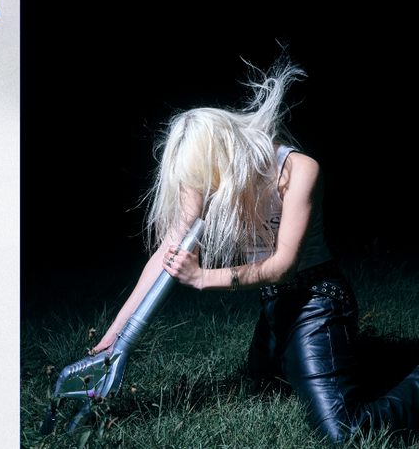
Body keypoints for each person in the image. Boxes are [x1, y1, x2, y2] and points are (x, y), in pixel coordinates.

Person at [92, 62, 419, 445]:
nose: (201, 187)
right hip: (274, 306)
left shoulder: (299, 170)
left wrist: (202, 278)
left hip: (317, 302)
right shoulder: (205, 171)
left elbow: (284, 266)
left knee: (344, 433)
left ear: (224, 150)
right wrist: (116, 335)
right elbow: (171, 246)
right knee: (264, 387)